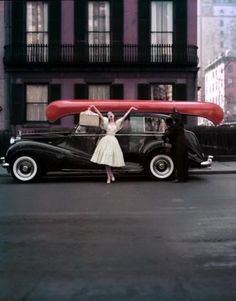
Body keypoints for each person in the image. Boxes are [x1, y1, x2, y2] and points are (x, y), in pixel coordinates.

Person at [89, 105, 137, 183]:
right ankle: (109, 176)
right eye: (108, 115)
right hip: (106, 140)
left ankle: (110, 175)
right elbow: (100, 115)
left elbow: (124, 116)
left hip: (113, 141)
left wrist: (130, 109)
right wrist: (94, 108)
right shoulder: (106, 122)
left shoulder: (117, 123)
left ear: (113, 115)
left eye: (111, 114)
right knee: (106, 160)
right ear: (108, 116)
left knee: (110, 159)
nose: (110, 116)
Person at [163, 114, 188, 182]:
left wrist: (165, 134)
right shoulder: (180, 125)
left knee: (179, 162)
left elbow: (168, 135)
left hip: (179, 145)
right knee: (184, 161)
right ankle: (184, 177)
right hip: (184, 145)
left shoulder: (174, 126)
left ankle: (179, 178)